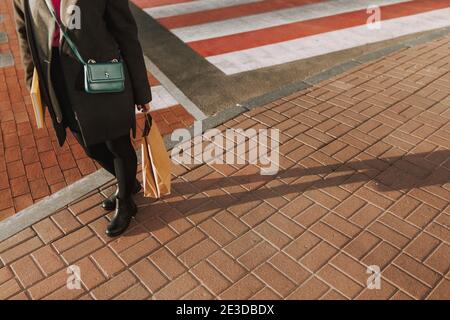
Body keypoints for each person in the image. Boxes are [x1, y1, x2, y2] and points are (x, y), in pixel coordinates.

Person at [13, 0, 151, 237]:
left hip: (102, 72)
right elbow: (26, 37)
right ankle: (128, 182)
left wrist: (141, 90)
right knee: (90, 146)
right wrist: (34, 84)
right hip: (56, 75)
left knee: (117, 141)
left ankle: (125, 199)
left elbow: (126, 32)